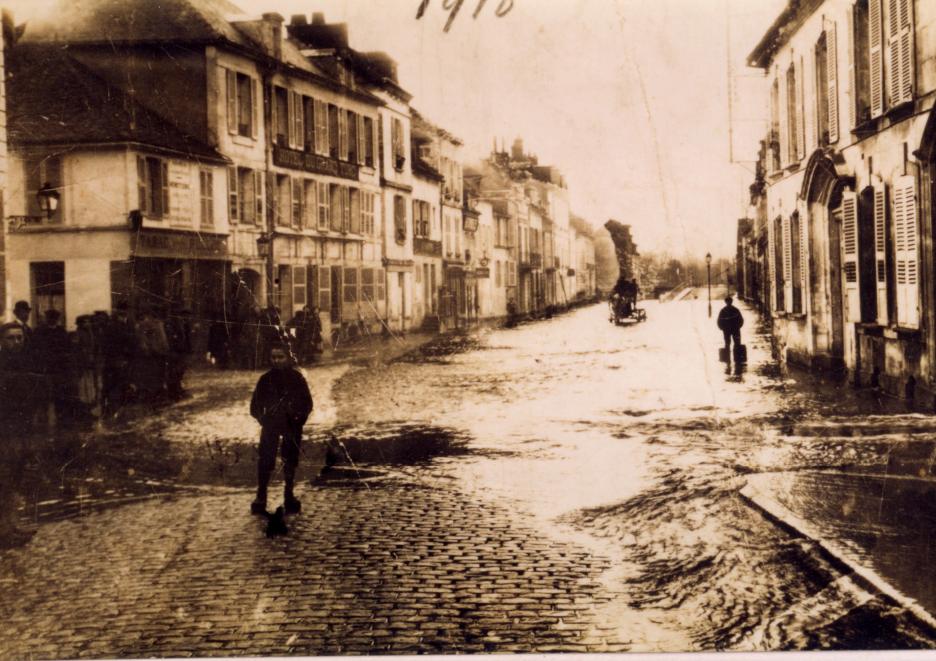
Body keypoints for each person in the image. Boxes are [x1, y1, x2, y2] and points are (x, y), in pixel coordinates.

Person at [249, 344, 313, 516]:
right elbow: (254, 406)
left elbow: (307, 403)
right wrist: (263, 419)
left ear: (288, 357)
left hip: (292, 424)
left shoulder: (297, 378)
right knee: (266, 459)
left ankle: (289, 495)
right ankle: (261, 496)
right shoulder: (265, 380)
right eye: (274, 357)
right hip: (270, 425)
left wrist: (299, 418)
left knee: (290, 459)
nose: (277, 361)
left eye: (281, 357)